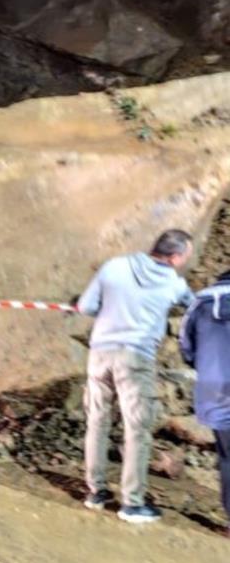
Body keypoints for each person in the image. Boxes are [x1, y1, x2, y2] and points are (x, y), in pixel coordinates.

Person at [77, 229, 194, 525]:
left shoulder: (114, 266)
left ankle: (96, 493)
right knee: (137, 430)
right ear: (176, 257)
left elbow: (85, 307)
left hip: (100, 354)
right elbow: (195, 306)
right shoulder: (174, 284)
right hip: (136, 358)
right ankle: (132, 503)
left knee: (97, 421)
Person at [179, 268, 230, 537]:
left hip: (215, 390)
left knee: (227, 457)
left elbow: (186, 346)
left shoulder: (201, 301)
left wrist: (205, 365)